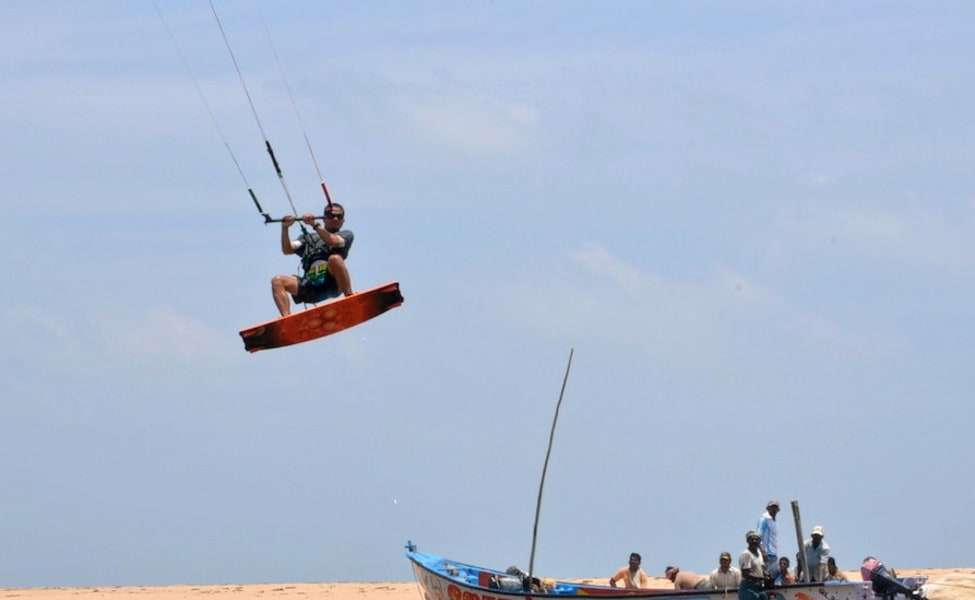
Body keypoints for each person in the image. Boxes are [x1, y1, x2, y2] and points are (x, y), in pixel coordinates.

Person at [271, 203, 354, 316]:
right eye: (331, 215)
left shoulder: (346, 234)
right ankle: (287, 318)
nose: (335, 218)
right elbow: (287, 250)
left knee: (334, 258)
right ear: (323, 218)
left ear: (343, 221)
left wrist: (314, 225)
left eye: (339, 216)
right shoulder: (308, 238)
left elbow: (333, 241)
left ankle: (350, 297)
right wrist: (285, 228)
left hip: (332, 285)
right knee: (277, 281)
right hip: (311, 288)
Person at [739, 530, 770, 600]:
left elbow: (764, 565)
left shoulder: (759, 553)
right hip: (748, 588)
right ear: (748, 541)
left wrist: (766, 575)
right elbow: (745, 574)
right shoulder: (746, 554)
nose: (754, 541)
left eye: (757, 539)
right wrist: (761, 578)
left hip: (759, 587)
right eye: (752, 539)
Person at [756, 500, 780, 578]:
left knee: (772, 578)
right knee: (765, 577)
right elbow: (758, 536)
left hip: (773, 554)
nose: (774, 509)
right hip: (766, 554)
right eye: (772, 507)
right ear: (768, 508)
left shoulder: (774, 522)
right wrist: (763, 551)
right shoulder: (764, 519)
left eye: (775, 507)